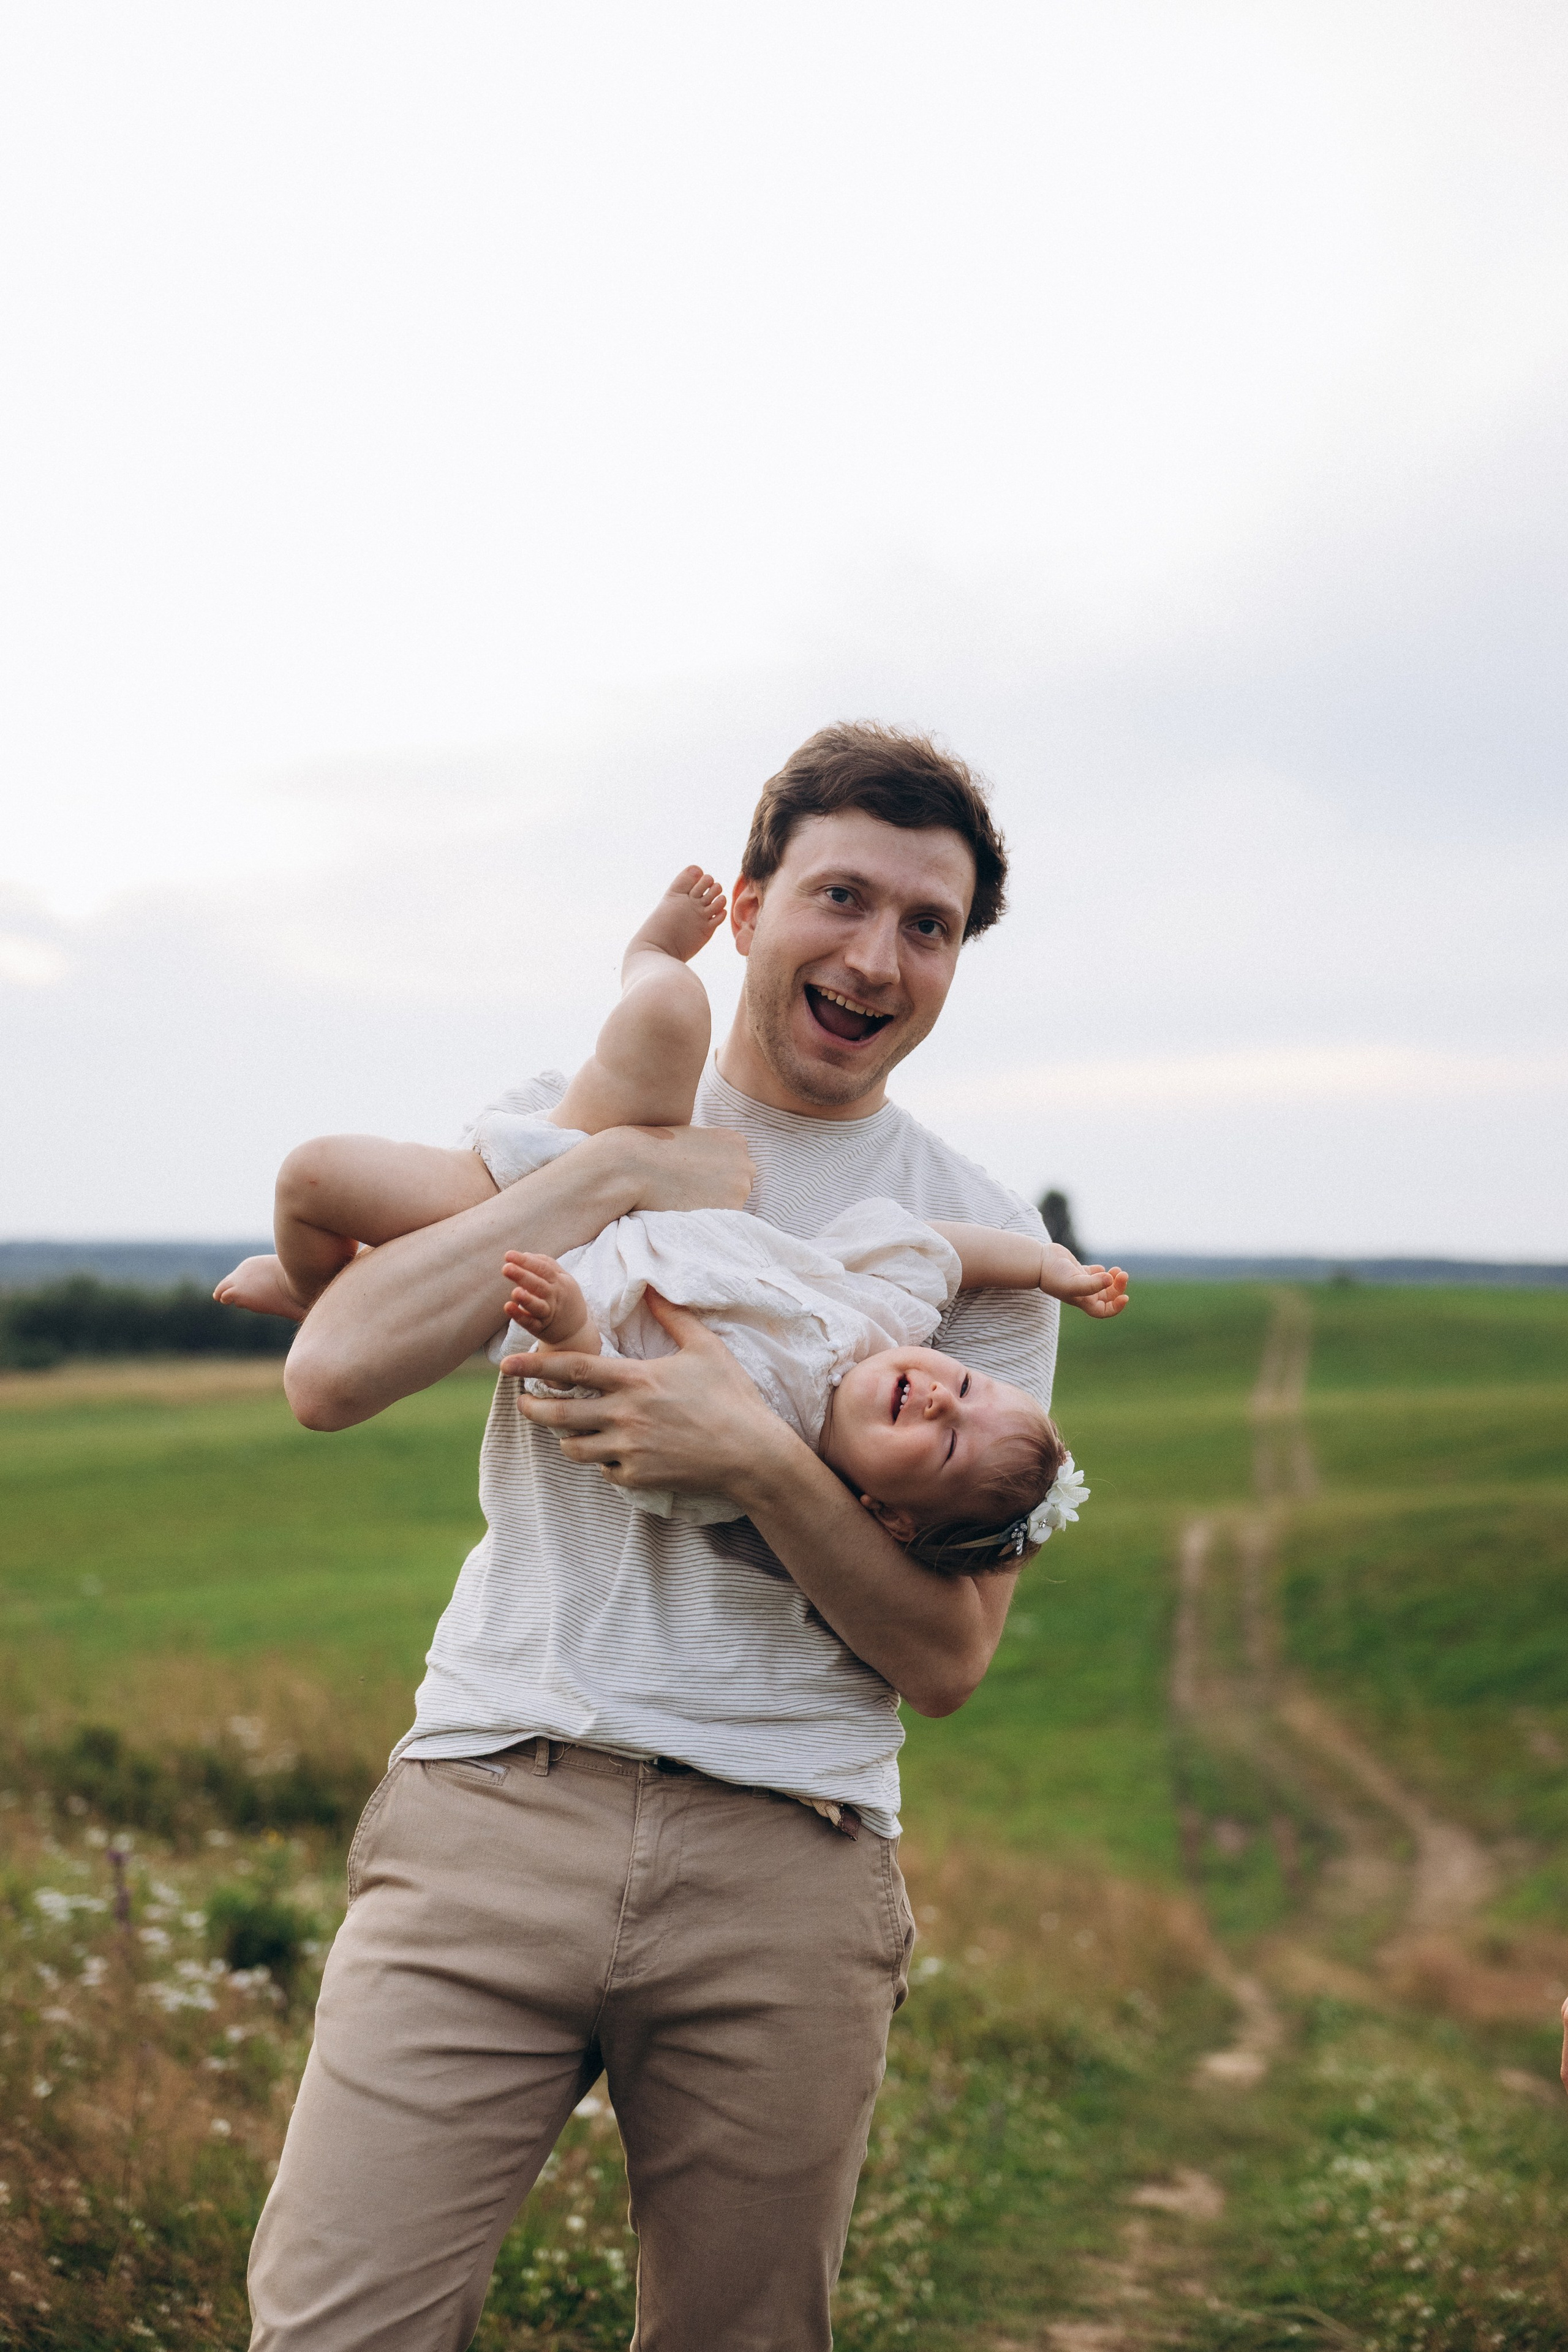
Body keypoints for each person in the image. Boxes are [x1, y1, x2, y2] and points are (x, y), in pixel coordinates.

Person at [247, 724, 1074, 2352]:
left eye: (928, 926)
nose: (877, 954)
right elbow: (331, 1372)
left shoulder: (972, 1248)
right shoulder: (574, 1116)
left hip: (790, 1863)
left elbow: (947, 1656)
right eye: (842, 898)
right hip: (496, 1798)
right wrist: (619, 1168)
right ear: (751, 907)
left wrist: (761, 1461)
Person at [219, 866, 1125, 1566]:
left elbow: (594, 1401)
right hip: (576, 1164)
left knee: (312, 1178)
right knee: (669, 1006)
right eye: (962, 1389)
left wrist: (572, 1323)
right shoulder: (881, 1316)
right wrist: (1049, 1265)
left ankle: (323, 1283)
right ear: (749, 908)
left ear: (887, 1514)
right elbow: (945, 1252)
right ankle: (645, 956)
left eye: (947, 1443)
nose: (938, 1396)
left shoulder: (733, 1477)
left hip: (559, 1271)